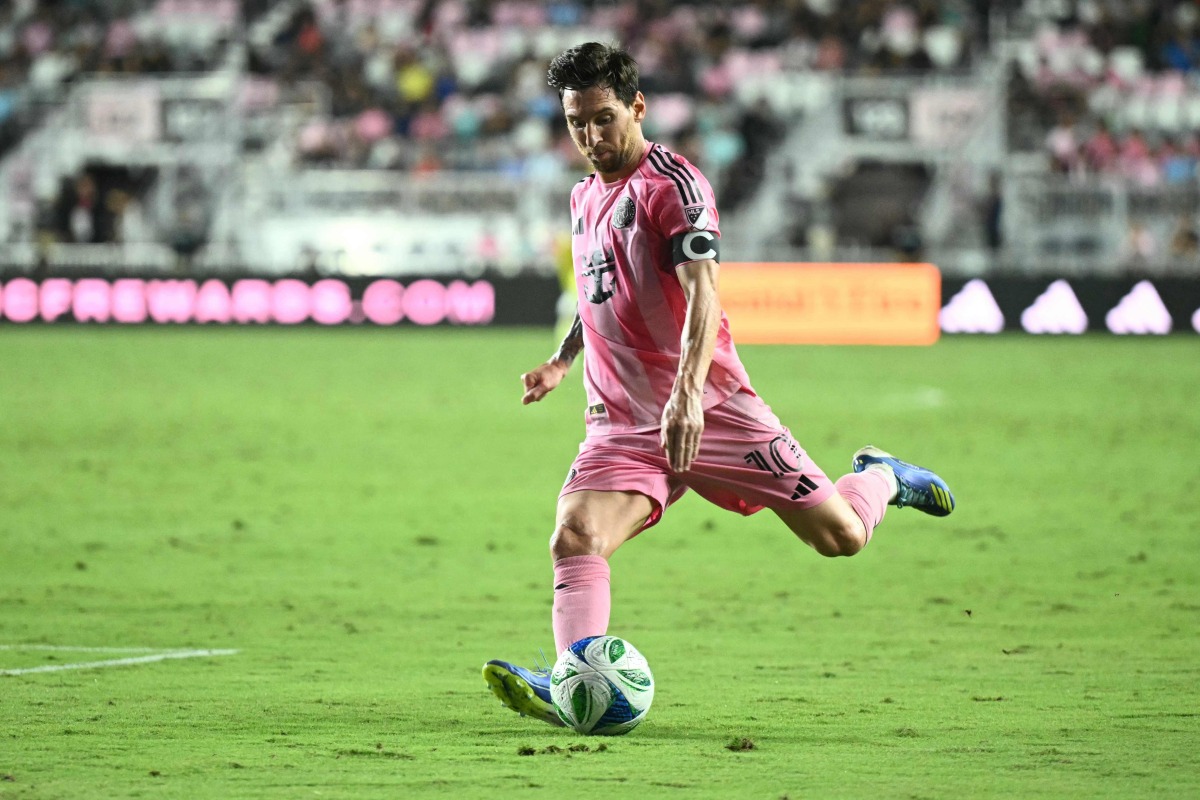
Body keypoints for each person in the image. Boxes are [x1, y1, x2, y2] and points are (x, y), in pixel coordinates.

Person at [482, 43, 955, 727]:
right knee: (576, 538)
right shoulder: (585, 196)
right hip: (621, 421)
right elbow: (598, 296)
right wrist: (561, 360)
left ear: (637, 107)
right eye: (576, 123)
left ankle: (882, 476)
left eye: (604, 119)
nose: (591, 137)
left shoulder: (674, 186)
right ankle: (574, 683)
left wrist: (683, 396)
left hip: (713, 407)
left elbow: (704, 296)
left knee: (841, 537)